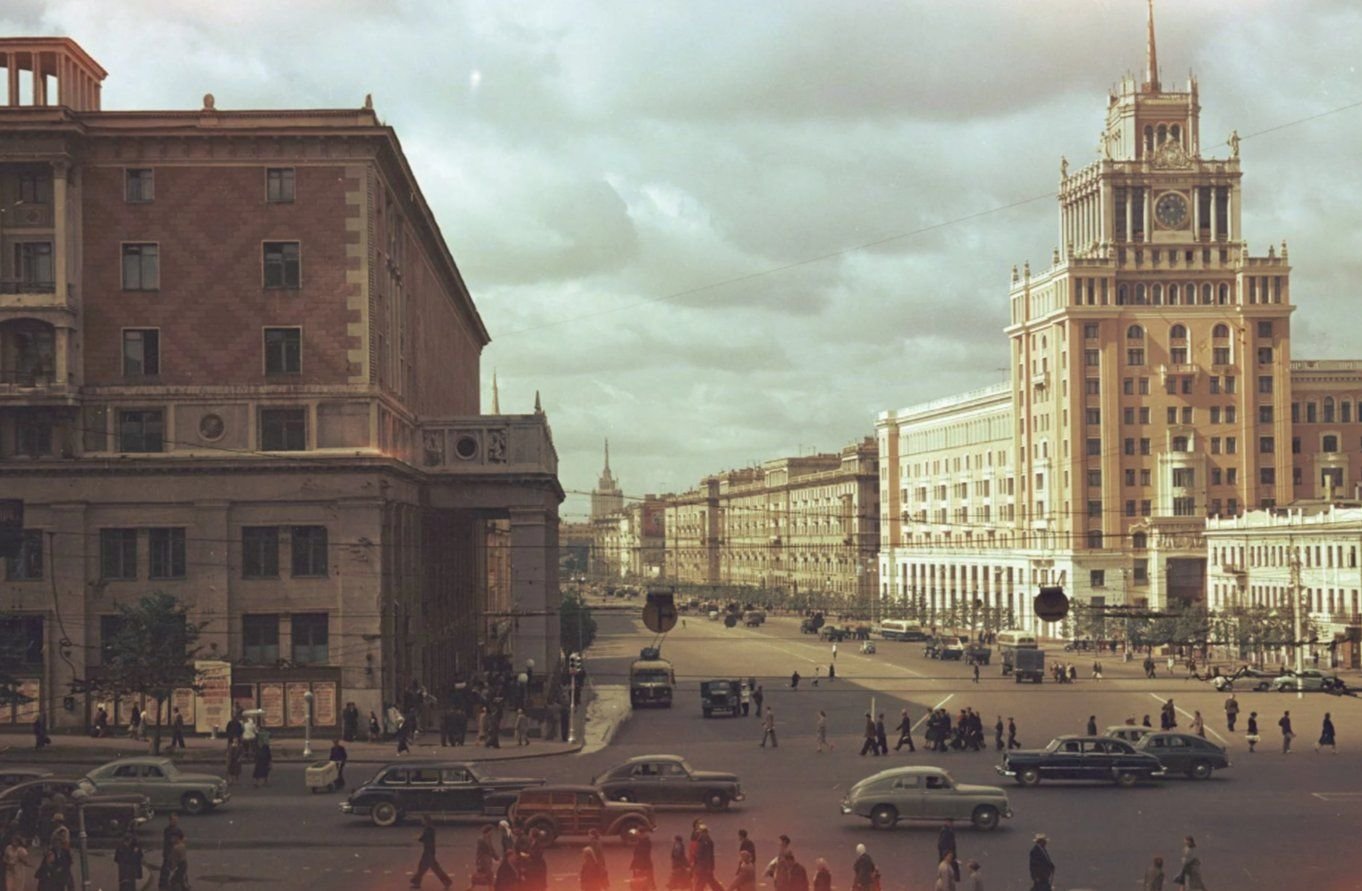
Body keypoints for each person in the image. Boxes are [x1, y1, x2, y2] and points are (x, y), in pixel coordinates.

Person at [411, 816, 453, 889]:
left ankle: (447, 882)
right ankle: (416, 882)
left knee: (434, 869)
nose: (422, 822)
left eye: (423, 820)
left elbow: (424, 839)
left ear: (426, 821)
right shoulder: (430, 829)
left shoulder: (428, 830)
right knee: (422, 867)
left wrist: (418, 838)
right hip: (429, 851)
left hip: (428, 852)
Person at [692, 825, 723, 891]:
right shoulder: (705, 840)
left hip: (703, 867)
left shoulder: (704, 840)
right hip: (704, 867)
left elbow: (707, 855)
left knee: (701, 883)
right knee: (710, 882)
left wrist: (708, 868)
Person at [158, 815, 183, 890]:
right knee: (166, 868)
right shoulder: (168, 830)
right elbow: (170, 841)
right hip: (169, 852)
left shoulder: (178, 830)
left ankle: (175, 883)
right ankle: (164, 884)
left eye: (176, 820)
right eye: (174, 820)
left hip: (175, 852)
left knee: (177, 868)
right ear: (170, 821)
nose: (175, 822)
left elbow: (181, 838)